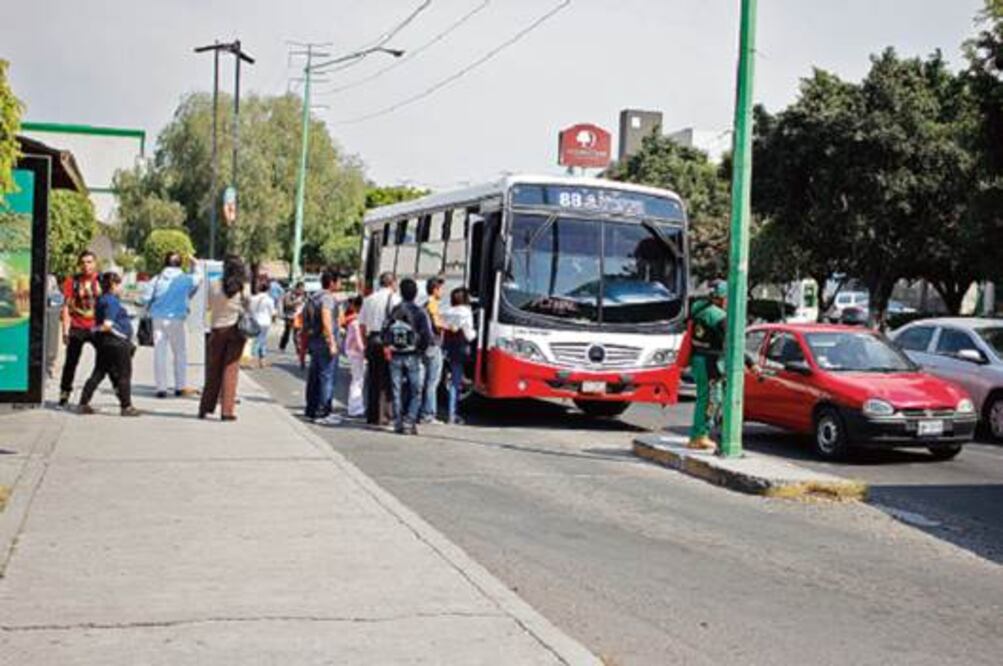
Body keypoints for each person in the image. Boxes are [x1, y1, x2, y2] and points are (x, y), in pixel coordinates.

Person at [678, 280, 758, 452]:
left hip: (698, 360)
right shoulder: (718, 316)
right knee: (712, 400)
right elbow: (732, 345)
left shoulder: (698, 308)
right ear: (722, 298)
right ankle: (700, 435)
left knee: (703, 398)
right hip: (711, 363)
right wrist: (750, 363)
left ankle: (699, 434)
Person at [141, 251, 201, 398]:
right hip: (177, 320)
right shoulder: (185, 279)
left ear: (165, 263)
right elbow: (199, 278)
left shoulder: (157, 279)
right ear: (180, 264)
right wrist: (195, 264)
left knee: (160, 353)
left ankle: (161, 388)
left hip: (158, 319)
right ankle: (180, 386)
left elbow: (144, 298)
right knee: (180, 353)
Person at [79, 272, 140, 417]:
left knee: (99, 372)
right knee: (124, 375)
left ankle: (83, 402)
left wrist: (95, 331)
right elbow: (107, 325)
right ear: (113, 285)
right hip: (117, 343)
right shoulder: (112, 301)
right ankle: (126, 406)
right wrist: (94, 329)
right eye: (119, 284)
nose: (121, 287)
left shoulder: (101, 299)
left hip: (104, 342)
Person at [198, 255, 247, 421]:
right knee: (230, 370)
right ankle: (227, 411)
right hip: (235, 330)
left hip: (217, 329)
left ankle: (205, 408)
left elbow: (209, 306)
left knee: (213, 370)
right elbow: (249, 306)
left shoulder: (213, 284)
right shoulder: (243, 287)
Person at [384, 278, 433, 435]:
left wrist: (388, 346)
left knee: (396, 390)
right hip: (413, 356)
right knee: (416, 391)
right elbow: (427, 336)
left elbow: (385, 331)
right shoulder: (419, 312)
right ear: (415, 294)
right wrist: (421, 351)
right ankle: (409, 421)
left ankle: (398, 422)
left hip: (396, 355)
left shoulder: (394, 310)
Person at [59, 250, 102, 406]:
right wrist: (65, 330)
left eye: (90, 262)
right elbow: (66, 307)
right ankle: (64, 393)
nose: (86, 265)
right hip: (77, 326)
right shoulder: (73, 281)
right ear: (79, 264)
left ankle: (120, 392)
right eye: (83, 262)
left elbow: (111, 302)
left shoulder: (102, 280)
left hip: (96, 327)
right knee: (70, 362)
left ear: (95, 263)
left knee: (107, 360)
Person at [303, 268, 342, 425]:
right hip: (325, 342)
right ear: (332, 282)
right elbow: (326, 319)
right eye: (338, 281)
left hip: (314, 340)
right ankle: (323, 412)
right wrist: (331, 341)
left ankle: (311, 409)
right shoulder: (327, 298)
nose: (340, 284)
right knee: (327, 376)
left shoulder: (313, 297)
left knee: (314, 376)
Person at [359, 272, 399, 425]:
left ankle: (372, 414)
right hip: (386, 341)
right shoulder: (395, 299)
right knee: (387, 379)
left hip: (371, 339)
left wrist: (364, 343)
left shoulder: (369, 299)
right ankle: (385, 415)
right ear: (392, 283)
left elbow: (362, 324)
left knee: (373, 378)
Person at [441, 287, 477, 424]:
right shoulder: (466, 312)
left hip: (448, 349)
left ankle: (451, 413)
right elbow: (469, 334)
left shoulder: (447, 311)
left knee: (452, 381)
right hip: (461, 349)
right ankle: (452, 415)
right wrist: (476, 334)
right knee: (456, 384)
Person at [419, 277, 446, 424]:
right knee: (432, 381)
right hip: (434, 345)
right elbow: (436, 323)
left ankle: (421, 411)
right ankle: (428, 414)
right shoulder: (433, 304)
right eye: (441, 289)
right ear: (435, 289)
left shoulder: (424, 303)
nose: (442, 292)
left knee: (425, 380)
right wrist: (446, 326)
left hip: (424, 346)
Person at [343, 295, 366, 418]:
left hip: (352, 352)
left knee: (357, 380)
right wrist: (365, 352)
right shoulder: (356, 322)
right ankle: (355, 408)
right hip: (356, 353)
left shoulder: (353, 320)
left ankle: (356, 406)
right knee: (357, 380)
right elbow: (359, 340)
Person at [248, 277, 277, 368]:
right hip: (265, 322)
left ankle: (260, 360)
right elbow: (272, 312)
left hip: (255, 321)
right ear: (268, 289)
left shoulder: (253, 298)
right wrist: (274, 319)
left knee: (258, 340)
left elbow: (250, 310)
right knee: (261, 341)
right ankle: (257, 360)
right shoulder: (269, 300)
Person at [279, 281, 306, 353]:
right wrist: (295, 303)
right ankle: (282, 346)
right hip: (289, 316)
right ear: (296, 288)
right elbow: (287, 304)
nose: (301, 291)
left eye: (302, 289)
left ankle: (298, 349)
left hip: (298, 317)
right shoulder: (289, 295)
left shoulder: (304, 296)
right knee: (287, 333)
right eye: (300, 289)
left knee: (297, 334)